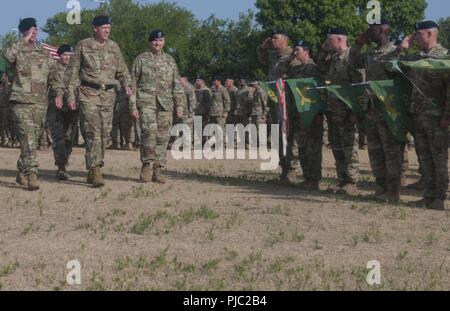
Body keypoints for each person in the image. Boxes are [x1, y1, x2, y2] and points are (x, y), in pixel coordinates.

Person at [66, 15, 133, 187]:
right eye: (104, 27)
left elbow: (123, 71)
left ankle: (94, 166)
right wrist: (71, 96)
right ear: (95, 28)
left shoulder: (114, 47)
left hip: (108, 96)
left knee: (104, 134)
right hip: (88, 93)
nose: (107, 30)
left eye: (109, 28)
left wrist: (127, 85)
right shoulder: (83, 45)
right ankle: (95, 169)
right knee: (93, 132)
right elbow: (73, 73)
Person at [349, 19, 403, 203]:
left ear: (383, 30)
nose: (368, 32)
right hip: (371, 108)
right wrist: (358, 43)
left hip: (389, 110)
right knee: (375, 151)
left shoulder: (395, 51)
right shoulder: (370, 53)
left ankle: (393, 191)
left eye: (372, 30)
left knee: (391, 152)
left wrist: (401, 50)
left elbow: (399, 74)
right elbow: (353, 61)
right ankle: (380, 188)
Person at [398, 21, 449, 210]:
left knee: (439, 157)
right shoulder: (416, 57)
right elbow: (392, 68)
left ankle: (440, 197)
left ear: (429, 34)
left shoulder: (445, 56)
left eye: (418, 35)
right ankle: (427, 195)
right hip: (418, 114)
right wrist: (402, 49)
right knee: (424, 157)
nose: (415, 38)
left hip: (437, 116)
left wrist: (447, 115)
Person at [3, 17, 56, 191]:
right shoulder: (17, 50)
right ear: (23, 31)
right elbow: (7, 56)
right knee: (28, 137)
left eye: (35, 29)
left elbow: (53, 75)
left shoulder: (43, 53)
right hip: (20, 101)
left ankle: (22, 169)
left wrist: (59, 94)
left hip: (40, 103)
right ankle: (33, 174)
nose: (34, 32)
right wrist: (23, 41)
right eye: (30, 29)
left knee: (32, 139)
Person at [130, 29, 184, 184]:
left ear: (164, 42)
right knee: (148, 134)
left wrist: (179, 104)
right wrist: (133, 106)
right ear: (150, 42)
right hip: (146, 103)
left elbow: (177, 85)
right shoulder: (141, 59)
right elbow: (131, 84)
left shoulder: (170, 61)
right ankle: (146, 165)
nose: (157, 43)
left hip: (165, 105)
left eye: (160, 40)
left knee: (163, 137)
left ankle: (158, 169)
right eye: (154, 40)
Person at [320, 27, 360, 196]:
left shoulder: (352, 57)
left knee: (349, 146)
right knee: (336, 146)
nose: (327, 43)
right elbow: (320, 66)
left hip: (346, 111)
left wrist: (355, 110)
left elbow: (358, 85)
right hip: (333, 110)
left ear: (339, 40)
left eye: (329, 40)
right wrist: (324, 48)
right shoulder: (334, 58)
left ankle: (352, 183)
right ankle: (342, 181)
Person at [285, 40, 325, 190]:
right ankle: (307, 177)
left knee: (313, 147)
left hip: (312, 113)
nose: (295, 53)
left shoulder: (314, 68)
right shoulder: (295, 70)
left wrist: (320, 111)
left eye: (298, 50)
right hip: (297, 114)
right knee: (302, 146)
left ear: (306, 52)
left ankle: (314, 179)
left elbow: (321, 90)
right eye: (294, 50)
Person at [47, 44, 78, 181]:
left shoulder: (75, 70)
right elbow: (56, 85)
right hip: (57, 109)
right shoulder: (54, 69)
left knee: (69, 138)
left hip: (71, 109)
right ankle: (61, 167)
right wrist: (58, 96)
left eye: (70, 55)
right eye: (65, 55)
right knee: (58, 137)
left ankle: (64, 161)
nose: (67, 57)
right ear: (59, 56)